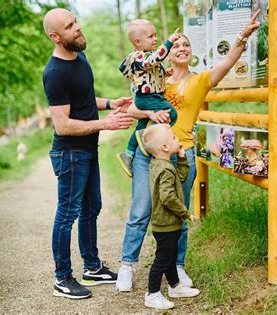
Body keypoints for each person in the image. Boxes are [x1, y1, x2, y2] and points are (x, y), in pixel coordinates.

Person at [116, 10, 261, 292]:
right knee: (141, 210)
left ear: (189, 53)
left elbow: (229, 61)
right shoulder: (156, 78)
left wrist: (243, 36)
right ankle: (127, 266)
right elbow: (132, 108)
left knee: (178, 214)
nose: (181, 48)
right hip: (149, 155)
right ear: (167, 53)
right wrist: (149, 111)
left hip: (182, 154)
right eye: (177, 44)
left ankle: (177, 269)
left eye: (186, 45)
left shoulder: (201, 79)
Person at [42, 8, 134, 299]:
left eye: (76, 21)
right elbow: (63, 124)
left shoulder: (79, 56)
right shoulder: (54, 72)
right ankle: (62, 278)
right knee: (67, 215)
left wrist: (110, 103)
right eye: (70, 26)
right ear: (55, 36)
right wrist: (105, 125)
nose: (78, 28)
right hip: (70, 154)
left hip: (87, 149)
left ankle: (92, 267)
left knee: (92, 208)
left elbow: (81, 99)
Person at [141, 124, 200, 310]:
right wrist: (184, 212)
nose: (178, 140)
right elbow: (167, 196)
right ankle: (152, 294)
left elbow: (179, 178)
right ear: (165, 147)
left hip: (167, 223)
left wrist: (181, 158)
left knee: (171, 255)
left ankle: (175, 287)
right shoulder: (165, 169)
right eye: (174, 137)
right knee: (163, 259)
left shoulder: (160, 164)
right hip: (166, 223)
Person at [116, 19, 180, 177]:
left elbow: (150, 72)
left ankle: (129, 153)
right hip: (147, 96)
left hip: (150, 95)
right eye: (151, 36)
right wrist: (169, 42)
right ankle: (149, 142)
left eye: (156, 35)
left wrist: (165, 73)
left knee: (141, 126)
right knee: (171, 114)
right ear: (137, 42)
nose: (155, 39)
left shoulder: (146, 56)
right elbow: (155, 60)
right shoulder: (138, 56)